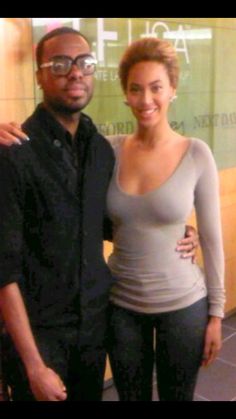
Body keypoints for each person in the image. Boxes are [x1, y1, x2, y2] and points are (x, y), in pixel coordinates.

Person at [0, 29, 198, 401]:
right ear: (40, 76)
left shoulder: (101, 149)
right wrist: (33, 365)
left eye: (84, 63)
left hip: (93, 331)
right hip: (39, 339)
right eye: (59, 63)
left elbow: (110, 224)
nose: (74, 72)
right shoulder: (15, 152)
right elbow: (3, 271)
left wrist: (177, 230)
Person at [105, 37, 225, 401]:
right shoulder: (107, 150)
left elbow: (211, 238)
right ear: (125, 93)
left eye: (156, 87)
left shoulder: (196, 153)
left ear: (172, 88)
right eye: (135, 89)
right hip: (121, 306)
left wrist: (217, 314)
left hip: (183, 306)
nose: (146, 100)